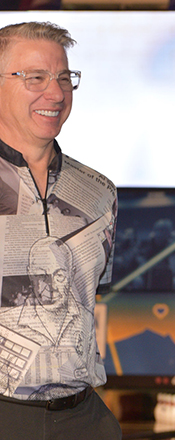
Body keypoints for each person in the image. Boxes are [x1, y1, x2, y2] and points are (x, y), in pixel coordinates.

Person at [0, 22, 120, 439]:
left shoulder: (99, 193)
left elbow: (91, 296)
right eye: (35, 77)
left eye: (64, 78)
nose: (55, 93)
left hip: (84, 419)